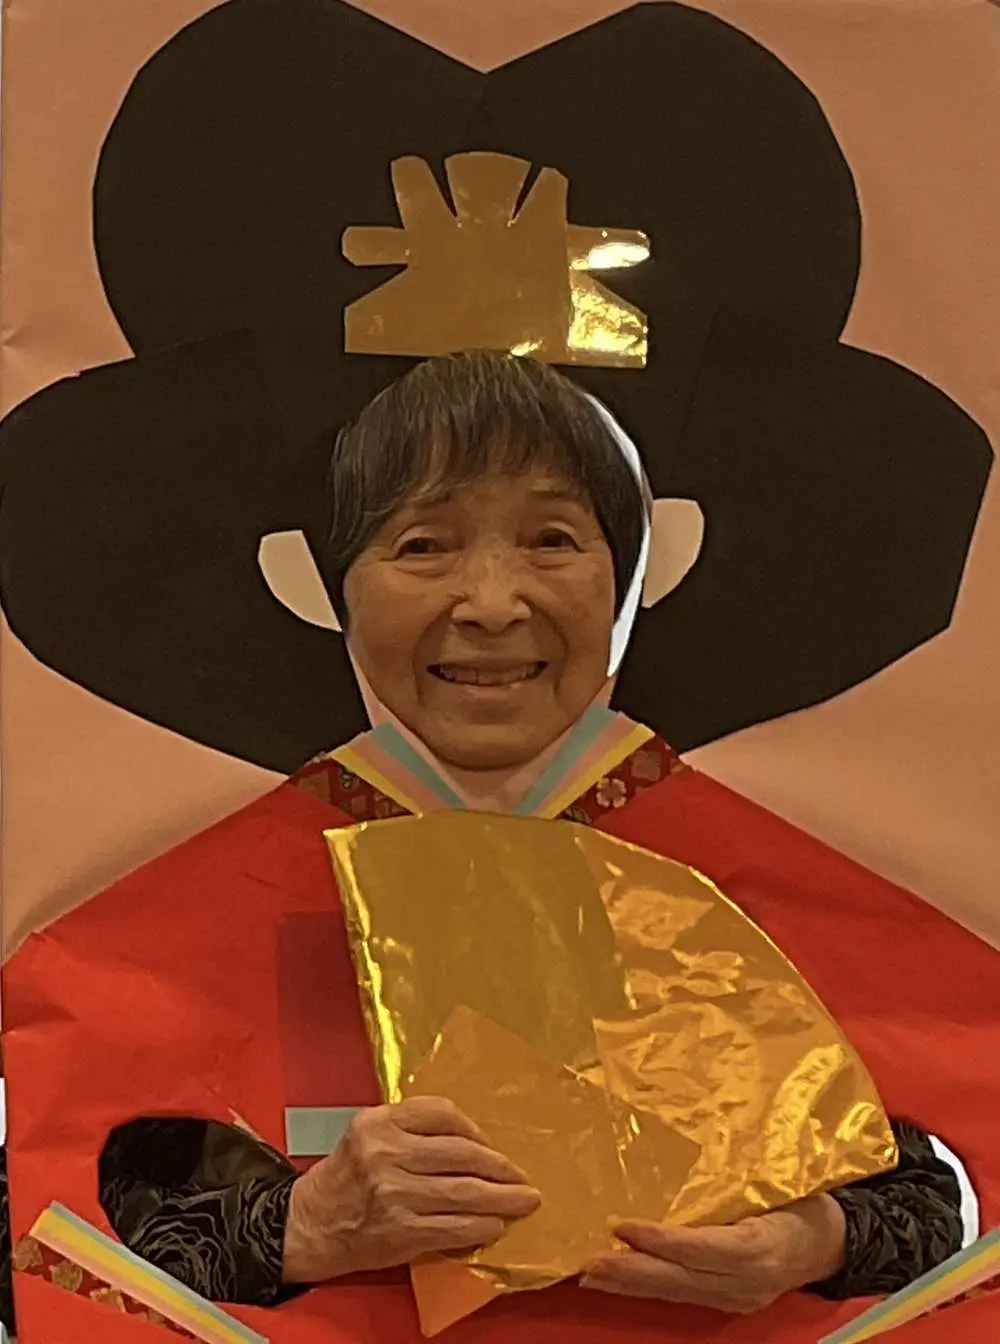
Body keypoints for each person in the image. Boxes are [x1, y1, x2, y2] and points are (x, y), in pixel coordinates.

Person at [2, 351, 997, 1344]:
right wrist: (301, 1227)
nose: (490, 604)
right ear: (335, 588)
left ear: (626, 580)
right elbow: (68, 1213)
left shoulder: (772, 874)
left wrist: (810, 1240)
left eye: (552, 540)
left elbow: (939, 1185)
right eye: (423, 546)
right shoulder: (178, 901)